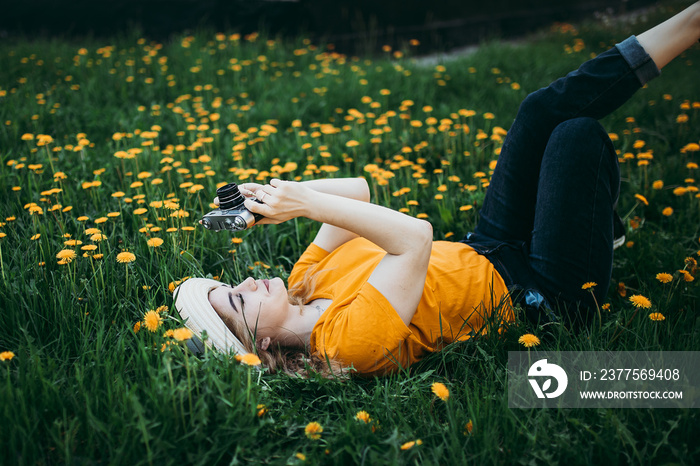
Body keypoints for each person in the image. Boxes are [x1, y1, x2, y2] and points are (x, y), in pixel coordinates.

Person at [175, 3, 700, 377]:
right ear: (258, 343)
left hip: (486, 247)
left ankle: (689, 21)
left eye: (231, 283)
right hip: (541, 295)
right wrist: (307, 205)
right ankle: (590, 239)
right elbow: (414, 239)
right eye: (237, 300)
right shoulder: (344, 345)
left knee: (540, 110)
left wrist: (275, 198)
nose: (245, 280)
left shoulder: (303, 282)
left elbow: (356, 192)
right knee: (576, 137)